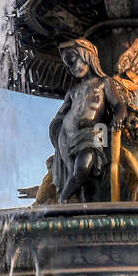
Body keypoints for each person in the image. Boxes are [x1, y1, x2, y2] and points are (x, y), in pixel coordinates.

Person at [49, 39, 127, 202]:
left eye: (72, 61)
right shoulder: (73, 90)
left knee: (83, 167)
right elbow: (62, 114)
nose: (70, 68)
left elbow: (119, 104)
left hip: (92, 135)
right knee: (78, 176)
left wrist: (118, 117)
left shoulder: (103, 82)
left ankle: (64, 198)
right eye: (67, 65)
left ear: (87, 56)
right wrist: (57, 128)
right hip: (68, 138)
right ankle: (81, 202)